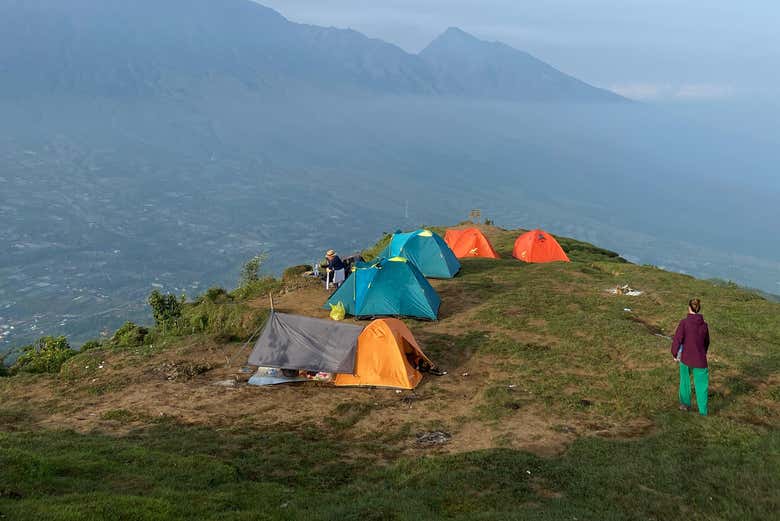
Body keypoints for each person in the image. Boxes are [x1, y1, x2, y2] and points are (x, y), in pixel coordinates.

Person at [671, 298, 711, 415]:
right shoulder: (704, 325)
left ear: (689, 308)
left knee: (685, 381)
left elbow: (677, 339)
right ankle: (703, 412)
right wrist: (703, 353)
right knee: (702, 386)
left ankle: (685, 405)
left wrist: (674, 353)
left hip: (686, 358)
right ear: (699, 309)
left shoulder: (684, 323)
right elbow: (706, 342)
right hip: (700, 360)